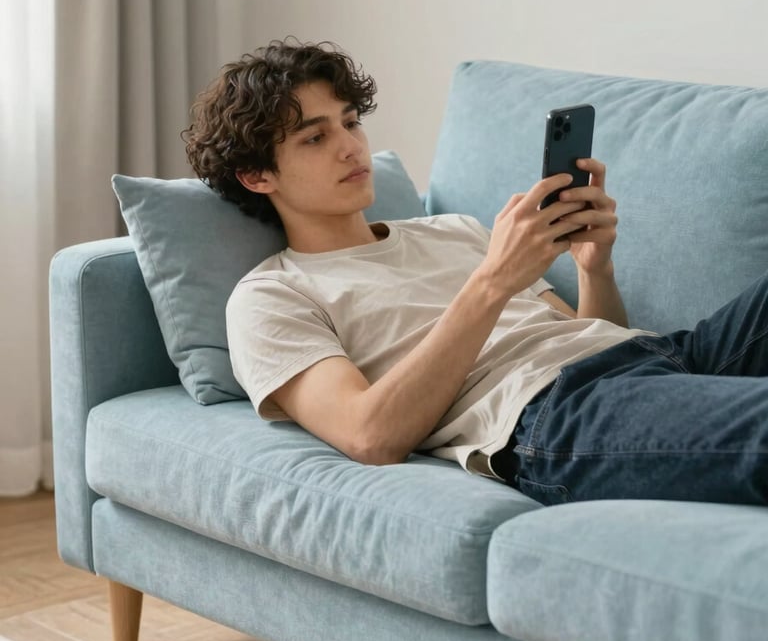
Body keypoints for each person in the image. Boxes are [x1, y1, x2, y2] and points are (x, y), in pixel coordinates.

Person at [183, 38, 768, 506]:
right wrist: (490, 283)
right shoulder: (272, 295)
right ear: (259, 177)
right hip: (552, 418)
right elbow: (369, 434)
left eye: (351, 121)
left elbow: (587, 336)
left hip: (655, 358)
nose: (350, 147)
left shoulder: (453, 230)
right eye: (316, 136)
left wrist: (595, 269)